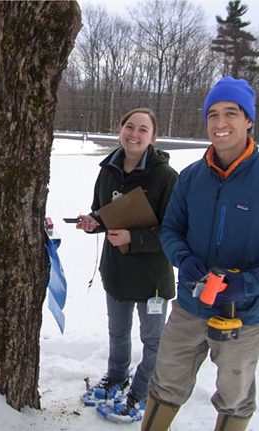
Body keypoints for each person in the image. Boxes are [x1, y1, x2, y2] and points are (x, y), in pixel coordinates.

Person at [142, 77, 259, 431]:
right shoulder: (192, 177)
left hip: (244, 315)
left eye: (230, 114)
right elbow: (170, 230)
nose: (220, 124)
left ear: (249, 120)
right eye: (213, 115)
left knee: (235, 394)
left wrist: (248, 283)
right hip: (191, 306)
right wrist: (184, 259)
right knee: (166, 381)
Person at [76, 108, 178, 423]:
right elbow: (101, 210)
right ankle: (117, 377)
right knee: (118, 333)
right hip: (117, 272)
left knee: (153, 341)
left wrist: (133, 239)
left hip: (153, 280)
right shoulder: (108, 169)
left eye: (142, 129)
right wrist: (94, 222)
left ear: (153, 137)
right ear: (120, 129)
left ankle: (142, 391)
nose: (134, 133)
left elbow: (173, 230)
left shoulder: (165, 177)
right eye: (129, 126)